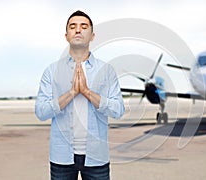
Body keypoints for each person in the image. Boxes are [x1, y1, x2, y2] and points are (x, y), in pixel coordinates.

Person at [35, 10, 125, 180]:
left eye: (84, 26)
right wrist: (71, 93)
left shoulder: (106, 71)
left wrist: (87, 92)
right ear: (66, 35)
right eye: (72, 26)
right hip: (61, 157)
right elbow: (41, 112)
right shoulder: (52, 71)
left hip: (97, 157)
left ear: (92, 35)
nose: (78, 30)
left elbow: (118, 110)